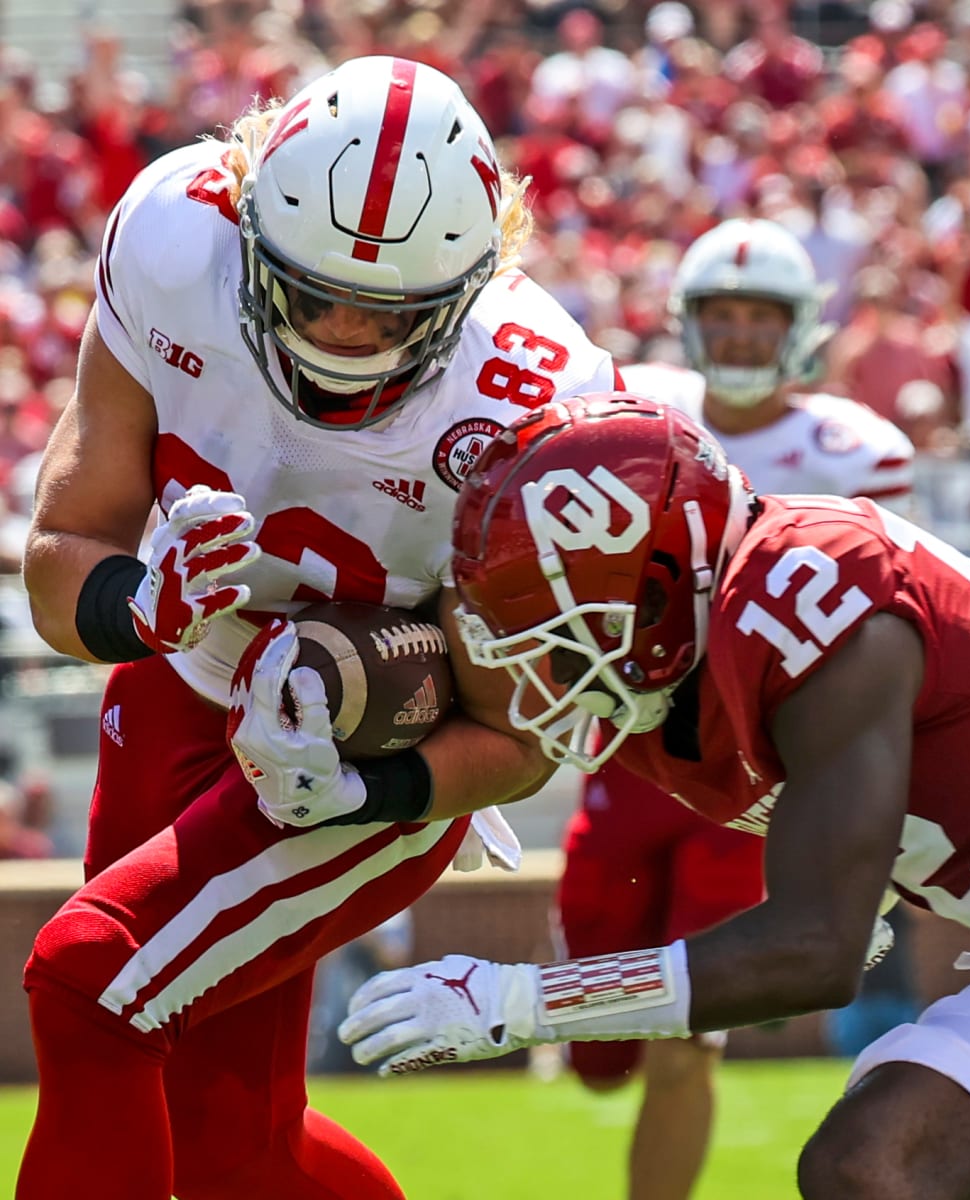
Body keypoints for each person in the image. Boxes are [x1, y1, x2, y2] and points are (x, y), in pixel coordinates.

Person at [338, 392, 970, 1200]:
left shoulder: (815, 594)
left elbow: (817, 952)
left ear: (661, 586)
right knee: (872, 1166)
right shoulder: (680, 662)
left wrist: (518, 1005)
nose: (547, 667)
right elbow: (512, 736)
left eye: (570, 630)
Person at [18, 56, 620, 1200]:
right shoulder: (173, 238)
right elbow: (63, 556)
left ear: (472, 283)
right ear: (249, 224)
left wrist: (366, 792)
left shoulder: (532, 400)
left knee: (90, 980)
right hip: (182, 675)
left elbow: (519, 740)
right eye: (313, 291)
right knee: (227, 1143)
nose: (344, 330)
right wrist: (135, 604)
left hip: (371, 759)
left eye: (388, 309)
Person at [554, 217, 915, 1200]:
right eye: (725, 314)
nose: (745, 335)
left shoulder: (854, 450)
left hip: (757, 776)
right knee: (600, 1039)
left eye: (764, 316)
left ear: (799, 327)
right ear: (689, 322)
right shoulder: (631, 407)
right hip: (628, 753)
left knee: (684, 1039)